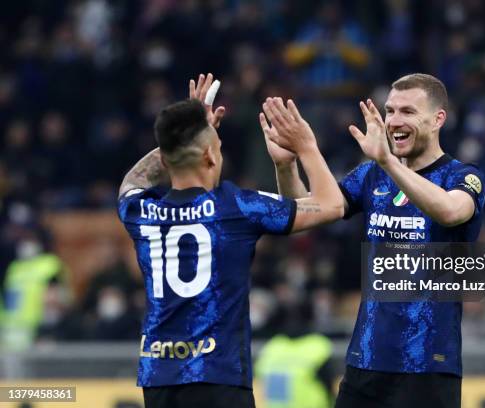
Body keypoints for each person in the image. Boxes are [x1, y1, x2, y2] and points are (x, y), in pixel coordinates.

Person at [117, 73, 344, 408]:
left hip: (159, 378)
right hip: (219, 377)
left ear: (165, 158)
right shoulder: (236, 207)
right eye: (218, 149)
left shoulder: (140, 211)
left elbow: (132, 180)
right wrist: (306, 147)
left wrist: (186, 131)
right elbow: (332, 205)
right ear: (210, 156)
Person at [266, 73, 485, 408]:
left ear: (438, 119)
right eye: (390, 111)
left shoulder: (463, 177)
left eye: (408, 112)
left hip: (427, 363)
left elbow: (450, 211)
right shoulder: (371, 176)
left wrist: (387, 162)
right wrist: (287, 166)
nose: (395, 120)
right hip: (365, 362)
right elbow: (310, 213)